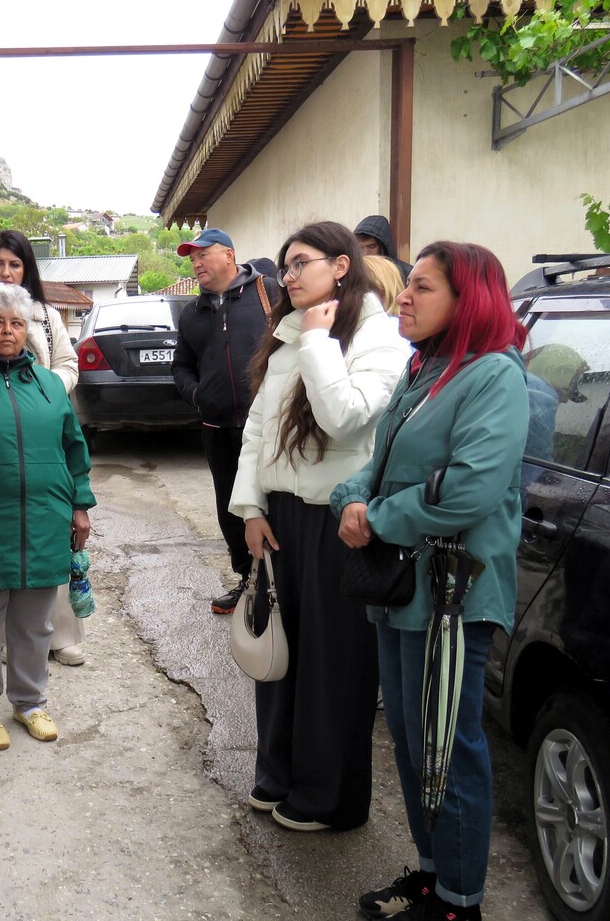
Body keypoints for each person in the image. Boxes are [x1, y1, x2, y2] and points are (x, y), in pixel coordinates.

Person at [332, 241, 530, 921]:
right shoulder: (427, 370)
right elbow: (382, 459)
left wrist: (378, 515)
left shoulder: (493, 377)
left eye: (423, 286)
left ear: (468, 299)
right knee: (417, 748)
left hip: (453, 596)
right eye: (407, 284)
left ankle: (459, 904)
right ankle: (436, 873)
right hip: (403, 591)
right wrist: (351, 500)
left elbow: (468, 489)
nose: (404, 297)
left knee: (451, 750)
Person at [228, 221, 409, 832]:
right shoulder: (287, 336)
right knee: (279, 647)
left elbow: (346, 420)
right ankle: (277, 773)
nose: (290, 274)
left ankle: (326, 797)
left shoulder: (375, 336)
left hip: (339, 523)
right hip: (280, 519)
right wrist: (251, 509)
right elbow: (257, 430)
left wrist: (318, 340)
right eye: (285, 266)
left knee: (334, 666)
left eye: (301, 262)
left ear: (341, 265)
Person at [0, 282, 95, 750]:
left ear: (29, 328)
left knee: (35, 624)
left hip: (44, 519)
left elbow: (74, 447)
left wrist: (80, 504)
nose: (8, 331)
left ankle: (30, 702)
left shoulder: (50, 385)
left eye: (17, 323)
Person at [0, 229, 87, 665]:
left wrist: (45, 391)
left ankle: (60, 636)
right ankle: (3, 648)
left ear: (27, 269)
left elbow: (68, 363)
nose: (7, 273)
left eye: (15, 264)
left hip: (43, 425)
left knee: (46, 544)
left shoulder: (45, 315)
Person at [172, 228, 275, 614]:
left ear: (229, 255)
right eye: (191, 258)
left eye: (203, 254)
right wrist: (199, 394)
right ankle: (247, 582)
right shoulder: (193, 313)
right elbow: (181, 366)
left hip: (266, 424)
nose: (196, 263)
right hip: (217, 427)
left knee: (272, 503)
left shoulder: (267, 294)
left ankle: (280, 582)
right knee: (231, 507)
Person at [354, 214, 414, 280]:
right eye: (360, 248)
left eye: (371, 246)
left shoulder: (407, 273)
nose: (365, 253)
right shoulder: (351, 272)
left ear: (383, 247)